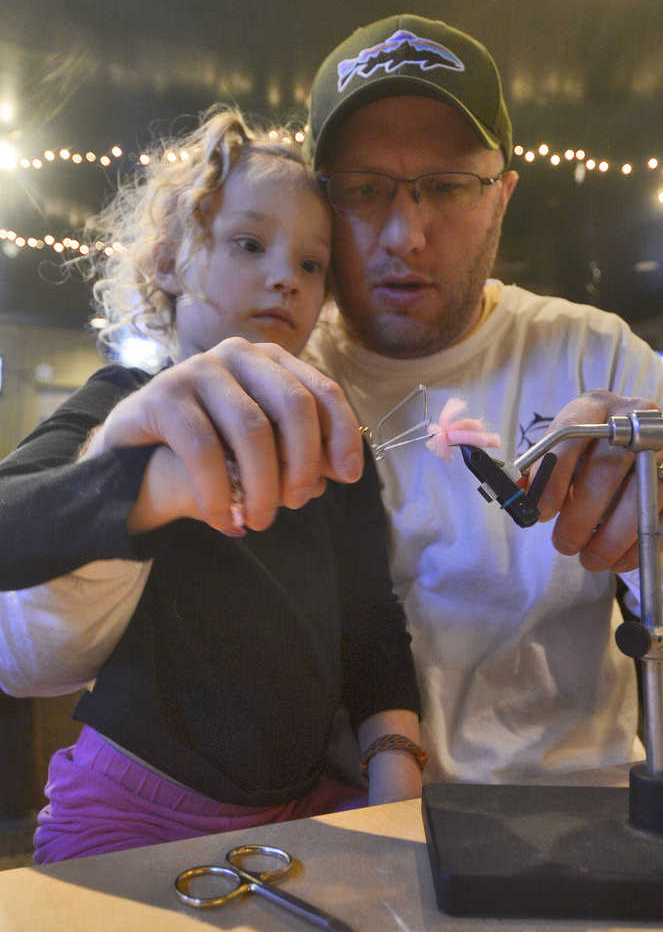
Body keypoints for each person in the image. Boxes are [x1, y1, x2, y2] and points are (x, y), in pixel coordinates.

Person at [1, 15, 663, 787]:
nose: (404, 235)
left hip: (567, 818)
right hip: (310, 839)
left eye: (446, 187)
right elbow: (29, 663)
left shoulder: (596, 353)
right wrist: (120, 467)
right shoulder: (262, 380)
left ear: (501, 197)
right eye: (361, 191)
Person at [0, 107, 423, 862]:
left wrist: (395, 765)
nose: (281, 279)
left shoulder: (333, 434)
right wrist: (137, 475)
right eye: (249, 244)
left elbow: (367, 617)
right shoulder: (125, 396)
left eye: (310, 264)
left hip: (298, 807)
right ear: (167, 262)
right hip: (130, 805)